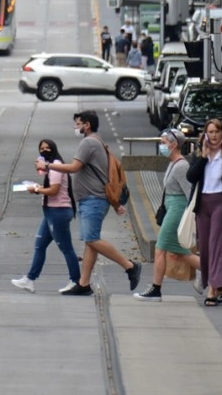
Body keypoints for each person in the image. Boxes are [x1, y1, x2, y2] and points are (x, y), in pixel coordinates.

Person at [35, 111, 142, 296]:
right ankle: (84, 284)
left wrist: (49, 165)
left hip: (93, 199)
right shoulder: (97, 141)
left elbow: (74, 167)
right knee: (90, 242)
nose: (76, 127)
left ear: (87, 125)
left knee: (92, 239)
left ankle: (130, 266)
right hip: (93, 199)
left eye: (78, 124)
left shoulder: (88, 142)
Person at [134, 129, 202, 301]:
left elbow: (189, 194)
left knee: (161, 248)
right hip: (172, 207)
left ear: (174, 145)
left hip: (177, 210)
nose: (161, 146)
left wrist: (191, 218)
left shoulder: (181, 166)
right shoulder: (173, 163)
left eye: (164, 143)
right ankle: (218, 277)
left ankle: (156, 289)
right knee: (181, 252)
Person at [11, 139, 81, 294]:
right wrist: (39, 187)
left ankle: (76, 281)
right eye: (41, 148)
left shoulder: (55, 167)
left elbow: (54, 190)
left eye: (47, 148)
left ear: (53, 149)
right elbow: (52, 188)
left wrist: (36, 190)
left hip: (58, 213)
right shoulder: (54, 166)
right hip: (51, 212)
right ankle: (29, 279)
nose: (44, 151)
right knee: (40, 245)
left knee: (66, 248)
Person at [186, 119, 222, 306]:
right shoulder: (200, 155)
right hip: (203, 204)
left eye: (217, 132)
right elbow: (190, 177)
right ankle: (219, 283)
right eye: (210, 132)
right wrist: (203, 157)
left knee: (217, 244)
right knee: (206, 248)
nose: (214, 135)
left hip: (221, 203)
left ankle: (212, 288)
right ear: (205, 135)